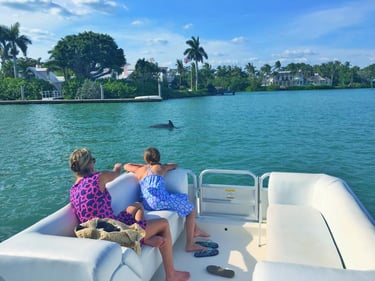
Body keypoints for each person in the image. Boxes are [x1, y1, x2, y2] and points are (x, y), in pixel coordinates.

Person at [69, 148, 190, 281]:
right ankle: (171, 274)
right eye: (93, 160)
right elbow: (116, 173)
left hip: (100, 229)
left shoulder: (73, 191)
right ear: (89, 163)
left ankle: (145, 238)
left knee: (137, 205)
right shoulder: (99, 177)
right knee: (163, 223)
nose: (94, 163)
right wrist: (117, 166)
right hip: (113, 233)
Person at [124, 147, 210, 253]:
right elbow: (175, 165)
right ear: (158, 158)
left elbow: (126, 165)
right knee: (191, 209)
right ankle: (190, 244)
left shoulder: (139, 170)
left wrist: (143, 165)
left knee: (181, 197)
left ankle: (195, 230)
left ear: (145, 159)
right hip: (160, 201)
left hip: (146, 203)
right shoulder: (161, 168)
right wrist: (162, 165)